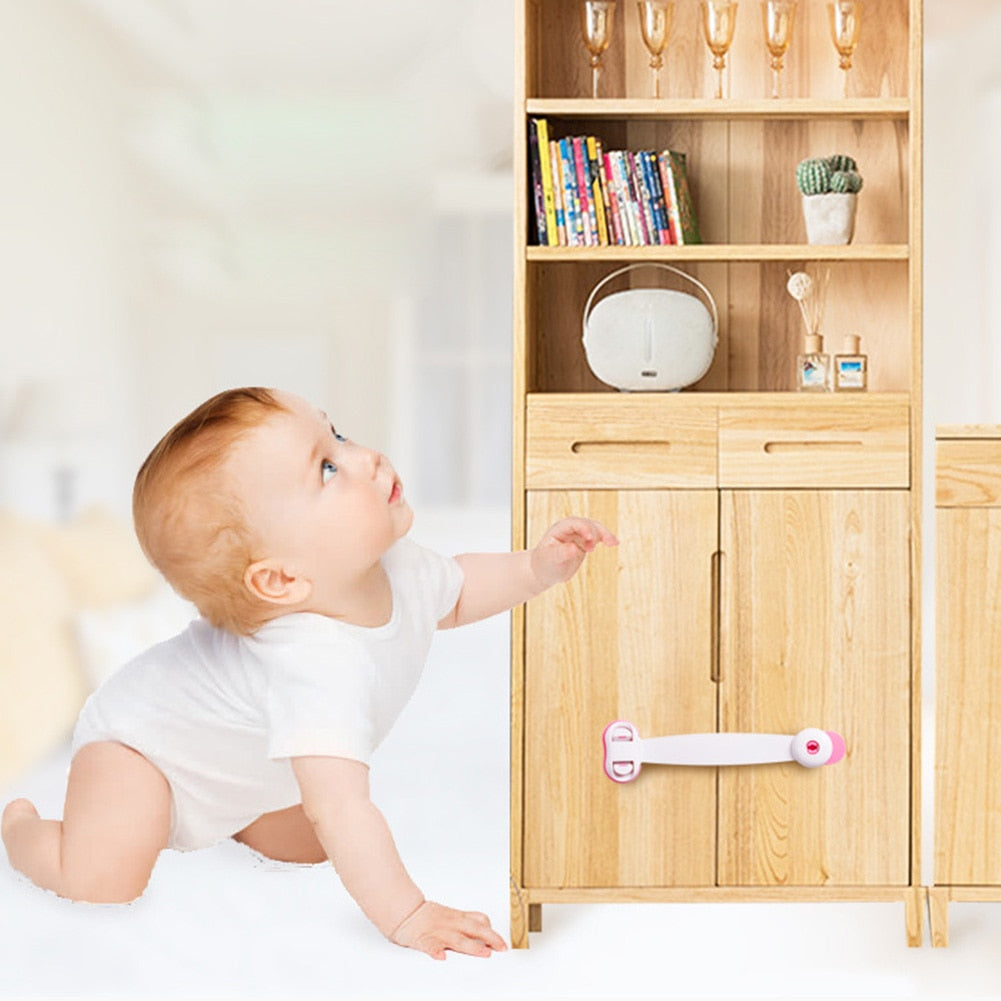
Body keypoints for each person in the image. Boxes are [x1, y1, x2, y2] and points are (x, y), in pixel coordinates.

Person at [1, 387, 618, 961]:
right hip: (139, 753)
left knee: (315, 847)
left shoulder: (393, 569)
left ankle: (237, 817)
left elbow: (455, 594)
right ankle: (27, 833)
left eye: (339, 437)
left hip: (239, 766)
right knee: (106, 882)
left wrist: (537, 569)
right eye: (327, 468)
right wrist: (408, 915)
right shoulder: (315, 662)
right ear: (281, 580)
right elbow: (346, 808)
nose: (365, 459)